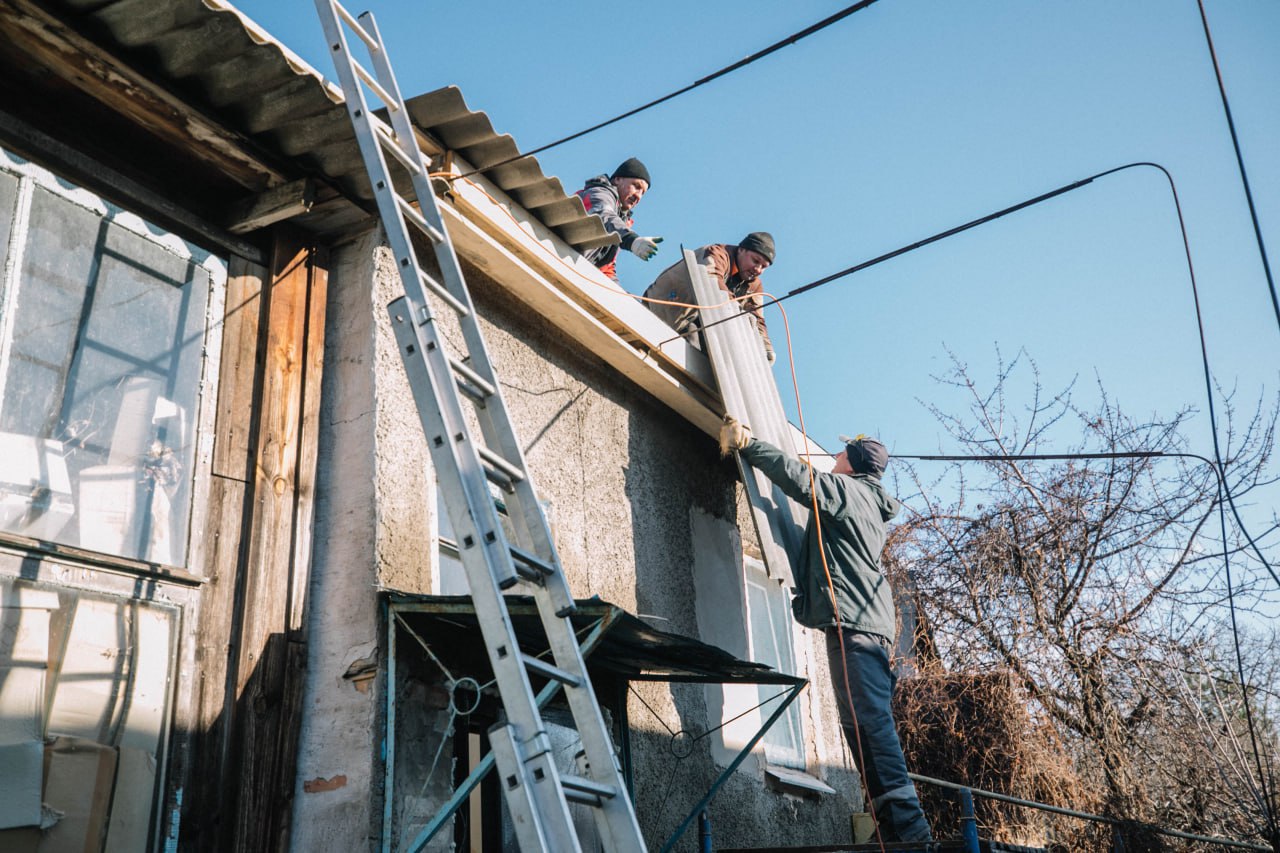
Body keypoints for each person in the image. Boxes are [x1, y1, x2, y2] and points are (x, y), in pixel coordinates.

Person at [718, 417, 933, 844]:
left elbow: (800, 479)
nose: (832, 459)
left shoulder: (848, 492)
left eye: (839, 455)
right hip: (860, 623)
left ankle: (908, 828)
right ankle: (891, 823)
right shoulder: (865, 499)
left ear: (852, 464)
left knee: (870, 722)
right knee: (860, 726)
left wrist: (749, 444)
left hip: (856, 625)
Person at [641, 232, 776, 363]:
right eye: (755, 261)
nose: (758, 269)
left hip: (688, 324)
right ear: (741, 250)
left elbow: (757, 317)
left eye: (763, 267)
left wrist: (766, 347)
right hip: (660, 311)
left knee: (704, 352)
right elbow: (713, 282)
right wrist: (737, 308)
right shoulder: (716, 254)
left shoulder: (754, 285)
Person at [575, 158, 662, 282]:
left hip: (579, 271)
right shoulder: (599, 193)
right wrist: (631, 240)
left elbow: (606, 268)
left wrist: (622, 298)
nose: (638, 196)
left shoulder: (622, 221)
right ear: (617, 179)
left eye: (643, 193)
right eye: (636, 186)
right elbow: (603, 215)